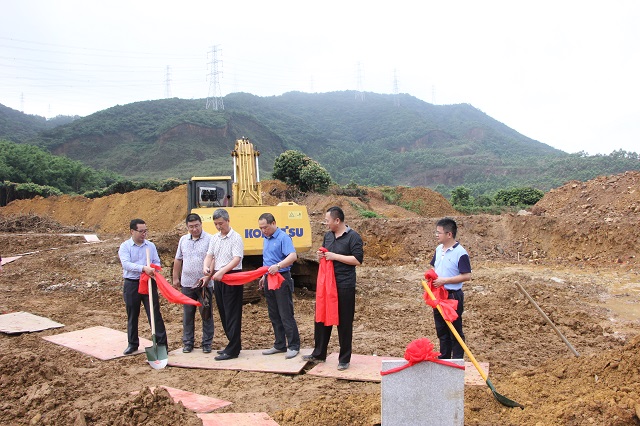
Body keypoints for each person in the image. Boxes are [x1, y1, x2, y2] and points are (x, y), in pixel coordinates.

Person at [303, 206, 364, 371]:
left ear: (337, 220)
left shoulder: (353, 237)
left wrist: (335, 256)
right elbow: (326, 255)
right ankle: (319, 353)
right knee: (322, 317)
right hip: (327, 285)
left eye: (327, 220)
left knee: (344, 321)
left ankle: (344, 359)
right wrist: (321, 256)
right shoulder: (328, 236)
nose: (326, 223)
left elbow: (357, 260)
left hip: (344, 284)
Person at [118, 219, 167, 355]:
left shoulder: (150, 246)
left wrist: (154, 268)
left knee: (154, 313)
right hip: (132, 283)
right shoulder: (125, 246)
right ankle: (132, 343)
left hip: (148, 282)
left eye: (145, 231)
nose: (144, 234)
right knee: (132, 314)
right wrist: (143, 268)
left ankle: (162, 344)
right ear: (132, 231)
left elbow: (156, 261)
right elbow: (126, 264)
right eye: (141, 231)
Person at [202, 208, 244, 361]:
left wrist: (222, 272)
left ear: (228, 221)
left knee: (232, 313)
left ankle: (233, 349)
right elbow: (210, 255)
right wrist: (206, 267)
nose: (219, 226)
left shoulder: (236, 237)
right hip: (218, 277)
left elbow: (236, 259)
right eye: (216, 224)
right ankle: (232, 344)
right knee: (223, 312)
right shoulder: (215, 238)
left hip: (232, 276)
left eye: (221, 223)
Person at [258, 213, 300, 359]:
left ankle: (293, 345)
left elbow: (292, 256)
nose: (263, 230)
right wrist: (264, 276)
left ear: (273, 223)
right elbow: (268, 260)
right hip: (269, 278)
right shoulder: (266, 238)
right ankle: (279, 344)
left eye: (265, 227)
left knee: (285, 313)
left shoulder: (283, 238)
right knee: (274, 313)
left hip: (281, 278)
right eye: (261, 228)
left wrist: (278, 266)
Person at [428, 217, 472, 360]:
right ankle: (444, 356)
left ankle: (457, 359)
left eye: (439, 232)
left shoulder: (461, 253)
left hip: (452, 296)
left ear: (449, 234)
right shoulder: (438, 249)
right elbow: (434, 267)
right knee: (441, 328)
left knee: (455, 329)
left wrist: (445, 281)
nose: (436, 235)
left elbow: (467, 276)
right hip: (438, 295)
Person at [173, 213, 214, 354]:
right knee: (188, 315)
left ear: (201, 224)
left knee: (206, 314)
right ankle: (188, 343)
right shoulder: (183, 240)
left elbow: (213, 260)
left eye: (196, 226)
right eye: (191, 227)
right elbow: (178, 259)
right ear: (187, 227)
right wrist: (175, 278)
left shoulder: (210, 239)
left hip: (204, 284)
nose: (194, 229)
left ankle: (207, 343)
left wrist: (208, 277)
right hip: (187, 284)